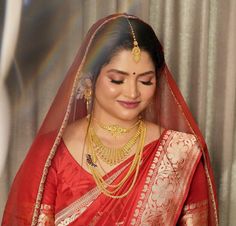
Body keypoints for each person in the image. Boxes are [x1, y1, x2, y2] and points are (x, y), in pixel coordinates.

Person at [2, 13, 218, 225]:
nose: (132, 93)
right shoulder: (52, 151)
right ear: (88, 79)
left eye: (145, 81)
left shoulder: (179, 153)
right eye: (117, 80)